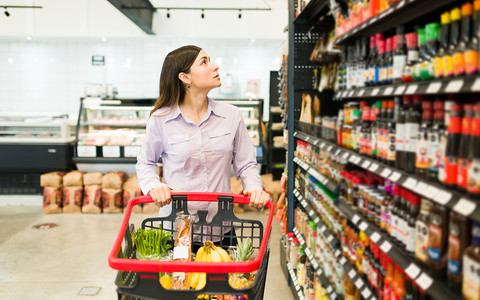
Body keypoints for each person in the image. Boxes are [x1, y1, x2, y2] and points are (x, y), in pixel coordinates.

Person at [136, 45, 271, 248]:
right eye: (204, 62)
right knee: (178, 281)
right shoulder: (161, 119)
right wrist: (155, 186)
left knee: (223, 280)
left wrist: (254, 188)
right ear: (185, 78)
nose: (215, 67)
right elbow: (146, 162)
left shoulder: (231, 115)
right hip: (177, 228)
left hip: (221, 228)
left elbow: (246, 164)